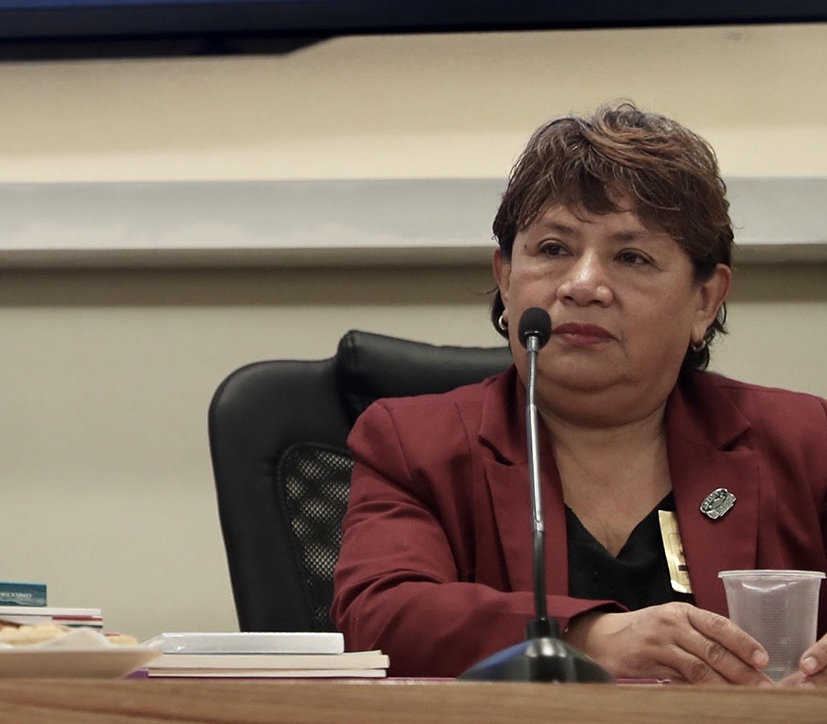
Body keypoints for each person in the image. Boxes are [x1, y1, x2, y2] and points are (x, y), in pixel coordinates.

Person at [334, 103, 827, 683]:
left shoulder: (806, 442)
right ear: (505, 278)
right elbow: (379, 618)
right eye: (553, 249)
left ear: (705, 300)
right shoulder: (414, 445)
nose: (584, 285)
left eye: (631, 257)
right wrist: (584, 639)